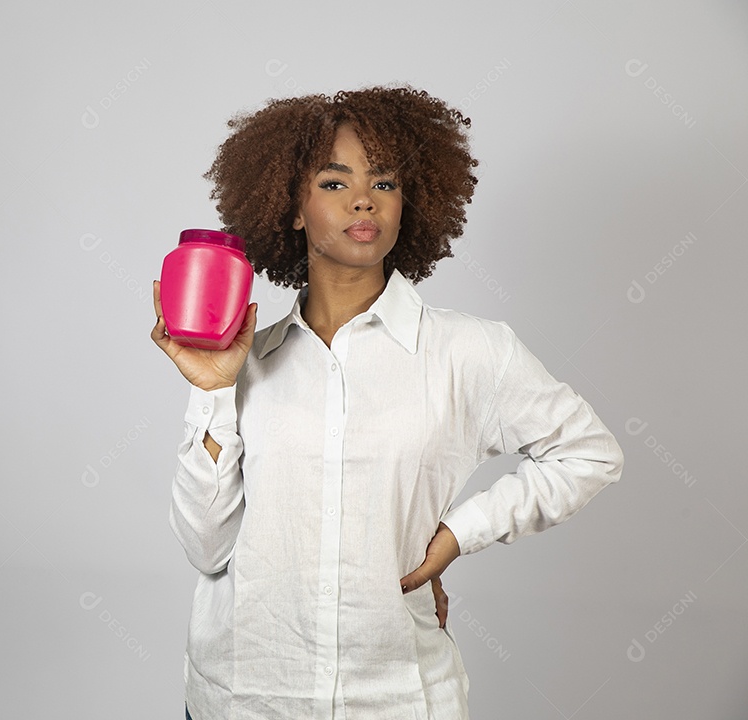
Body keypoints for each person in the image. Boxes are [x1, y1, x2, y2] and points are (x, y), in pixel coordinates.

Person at [150, 86, 624, 720]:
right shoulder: (244, 363)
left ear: (411, 203)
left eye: (385, 182)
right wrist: (210, 392)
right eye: (333, 183)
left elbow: (588, 454)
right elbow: (207, 550)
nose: (363, 200)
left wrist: (463, 532)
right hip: (247, 697)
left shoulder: (470, 352)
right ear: (292, 207)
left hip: (397, 700)